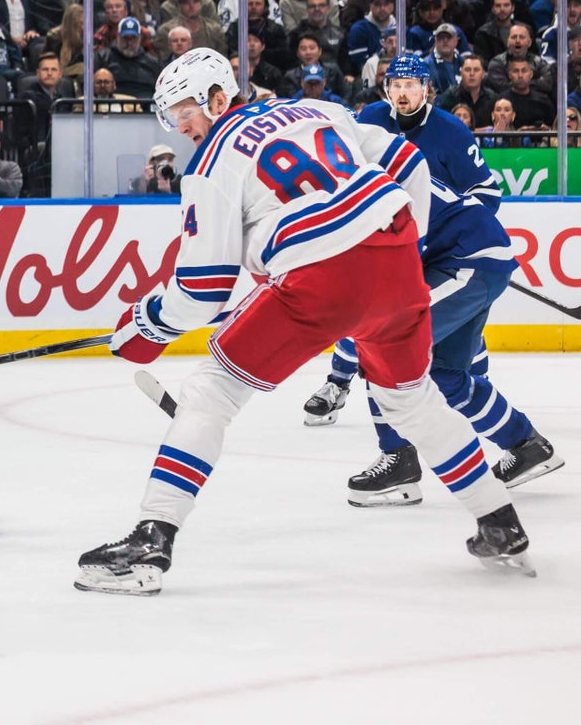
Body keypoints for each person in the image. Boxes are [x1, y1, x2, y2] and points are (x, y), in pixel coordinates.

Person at [74, 48, 536, 596]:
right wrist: (404, 243)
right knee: (411, 400)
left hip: (320, 281)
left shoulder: (211, 161)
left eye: (184, 111)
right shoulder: (317, 109)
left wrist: (146, 326)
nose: (181, 126)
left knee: (210, 393)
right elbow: (408, 162)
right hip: (394, 260)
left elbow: (202, 291)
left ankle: (152, 539)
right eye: (172, 116)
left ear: (219, 98)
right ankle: (498, 520)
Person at [302, 56, 559, 504]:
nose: (402, 93)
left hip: (466, 261)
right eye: (394, 84)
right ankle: (526, 445)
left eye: (410, 84)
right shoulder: (372, 147)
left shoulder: (367, 174)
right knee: (444, 373)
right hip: (476, 260)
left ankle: (398, 460)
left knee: (378, 346)